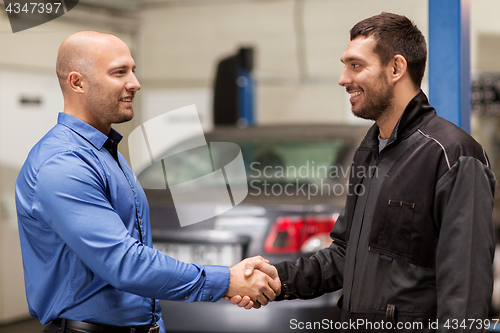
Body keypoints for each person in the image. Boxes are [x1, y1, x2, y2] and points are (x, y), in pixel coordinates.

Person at [229, 12, 496, 332]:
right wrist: (278, 280)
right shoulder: (369, 151)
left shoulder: (452, 155)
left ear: (396, 68)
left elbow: (464, 294)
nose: (343, 78)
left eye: (356, 65)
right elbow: (344, 255)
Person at [15, 31, 280, 333]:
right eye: (119, 72)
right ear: (77, 82)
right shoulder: (63, 164)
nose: (135, 83)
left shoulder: (105, 151)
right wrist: (227, 281)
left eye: (133, 70)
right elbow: (125, 263)